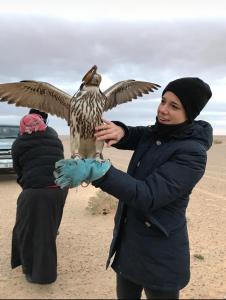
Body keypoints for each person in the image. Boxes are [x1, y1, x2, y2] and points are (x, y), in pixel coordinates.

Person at [54, 77, 213, 299]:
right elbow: (135, 134)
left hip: (161, 258)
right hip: (128, 249)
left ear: (190, 113)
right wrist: (120, 130)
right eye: (163, 101)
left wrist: (99, 171)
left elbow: (148, 196)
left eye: (174, 106)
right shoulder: (155, 133)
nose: (163, 110)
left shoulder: (192, 153)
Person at [11, 110, 68, 284]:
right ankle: (32, 267)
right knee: (47, 230)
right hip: (60, 189)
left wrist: (26, 184)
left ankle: (40, 275)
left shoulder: (19, 142)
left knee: (29, 231)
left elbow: (18, 169)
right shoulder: (53, 137)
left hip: (36, 191)